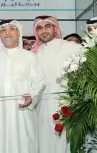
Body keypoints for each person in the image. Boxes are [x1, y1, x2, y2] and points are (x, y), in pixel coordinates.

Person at [0, 19, 45, 153]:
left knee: (24, 145)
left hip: (22, 112)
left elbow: (39, 82)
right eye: (3, 30)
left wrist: (31, 97)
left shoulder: (29, 57)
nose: (7, 33)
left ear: (19, 32)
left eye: (11, 28)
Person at [31, 15, 83, 153]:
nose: (44, 31)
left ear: (55, 28)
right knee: (43, 143)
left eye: (48, 26)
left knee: (64, 144)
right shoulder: (33, 54)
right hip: (40, 107)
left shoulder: (71, 47)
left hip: (66, 106)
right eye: (40, 28)